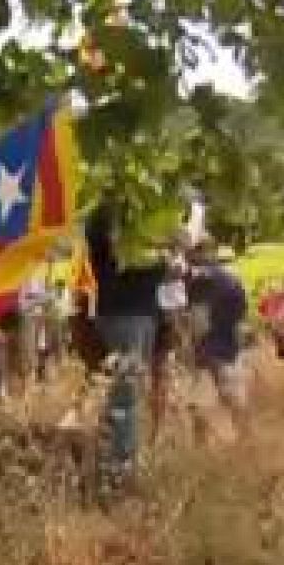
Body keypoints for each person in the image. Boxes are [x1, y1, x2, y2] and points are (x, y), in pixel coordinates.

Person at [83, 196, 163, 485]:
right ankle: (119, 470)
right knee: (125, 392)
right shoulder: (113, 217)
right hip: (126, 313)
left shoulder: (121, 215)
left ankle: (113, 462)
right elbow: (123, 256)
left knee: (123, 389)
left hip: (129, 312)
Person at [186, 238, 249, 438]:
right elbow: (240, 317)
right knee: (231, 399)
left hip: (208, 348)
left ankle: (203, 447)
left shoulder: (197, 281)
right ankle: (243, 441)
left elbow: (197, 321)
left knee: (202, 403)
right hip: (226, 347)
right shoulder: (232, 280)